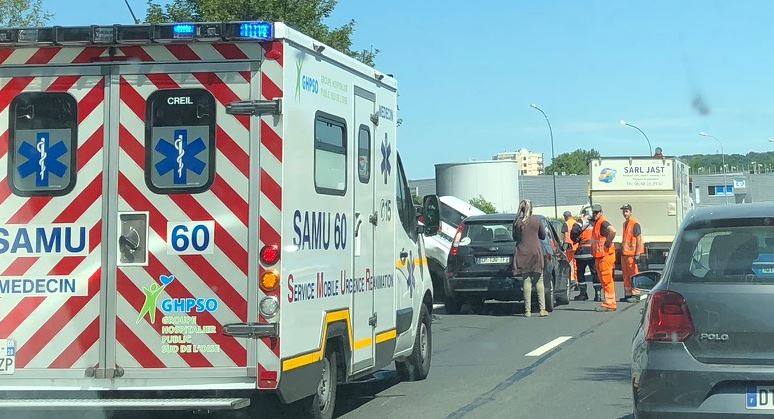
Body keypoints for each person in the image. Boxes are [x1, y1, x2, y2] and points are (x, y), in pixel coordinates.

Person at [513, 199, 548, 317]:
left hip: (522, 253)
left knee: (526, 281)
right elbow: (543, 236)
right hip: (535, 253)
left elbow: (515, 237)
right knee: (539, 281)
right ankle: (542, 309)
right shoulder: (537, 220)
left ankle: (527, 311)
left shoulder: (517, 222)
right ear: (531, 208)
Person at [590, 204, 617, 312]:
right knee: (604, 280)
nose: (595, 214)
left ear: (601, 212)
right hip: (600, 256)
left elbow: (613, 231)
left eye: (597, 212)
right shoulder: (597, 223)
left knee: (607, 280)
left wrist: (608, 242)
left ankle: (610, 303)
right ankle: (608, 302)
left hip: (605, 256)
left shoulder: (603, 222)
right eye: (594, 212)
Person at [572, 210, 601, 301]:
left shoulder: (580, 222)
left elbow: (574, 232)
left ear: (583, 214)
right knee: (595, 273)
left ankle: (583, 294)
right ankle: (598, 294)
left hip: (582, 252)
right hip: (593, 251)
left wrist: (576, 239)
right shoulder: (596, 222)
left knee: (580, 273)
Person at [620, 204, 644, 303]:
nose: (625, 213)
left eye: (626, 211)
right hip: (624, 254)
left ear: (631, 212)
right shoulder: (625, 224)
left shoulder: (635, 224)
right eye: (623, 211)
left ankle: (636, 294)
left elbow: (639, 239)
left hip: (631, 254)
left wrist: (637, 253)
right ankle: (628, 294)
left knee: (633, 274)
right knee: (626, 276)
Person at [561, 211, 580, 287]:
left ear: (565, 217)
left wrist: (564, 247)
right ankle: (578, 280)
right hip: (577, 246)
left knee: (570, 263)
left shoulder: (566, 224)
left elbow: (566, 236)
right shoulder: (576, 223)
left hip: (569, 247)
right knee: (576, 264)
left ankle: (572, 280)